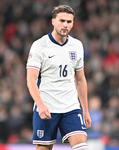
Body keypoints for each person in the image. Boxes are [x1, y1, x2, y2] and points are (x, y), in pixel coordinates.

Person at [26, 5, 91, 150]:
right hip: (47, 106)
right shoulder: (39, 46)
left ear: (73, 23)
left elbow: (80, 79)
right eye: (62, 20)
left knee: (82, 147)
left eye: (69, 22)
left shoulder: (77, 45)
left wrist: (85, 110)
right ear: (53, 21)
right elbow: (31, 80)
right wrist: (40, 105)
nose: (65, 25)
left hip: (71, 106)